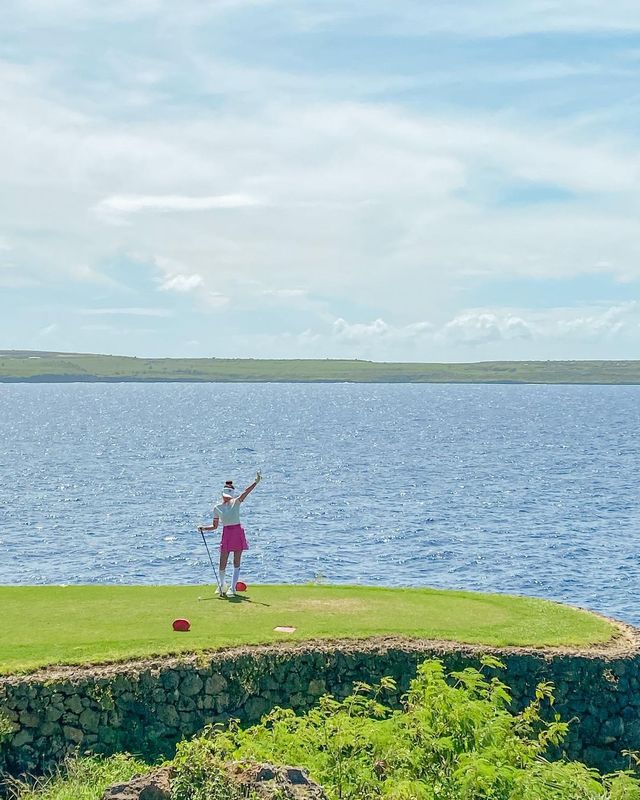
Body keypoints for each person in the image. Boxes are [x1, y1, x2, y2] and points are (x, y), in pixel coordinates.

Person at [199, 472, 261, 597]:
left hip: (237, 532)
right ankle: (222, 585)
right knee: (222, 561)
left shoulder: (236, 502)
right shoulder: (217, 508)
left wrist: (256, 482)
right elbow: (215, 526)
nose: (226, 497)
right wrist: (204, 528)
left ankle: (232, 588)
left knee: (236, 561)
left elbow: (245, 492)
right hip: (226, 533)